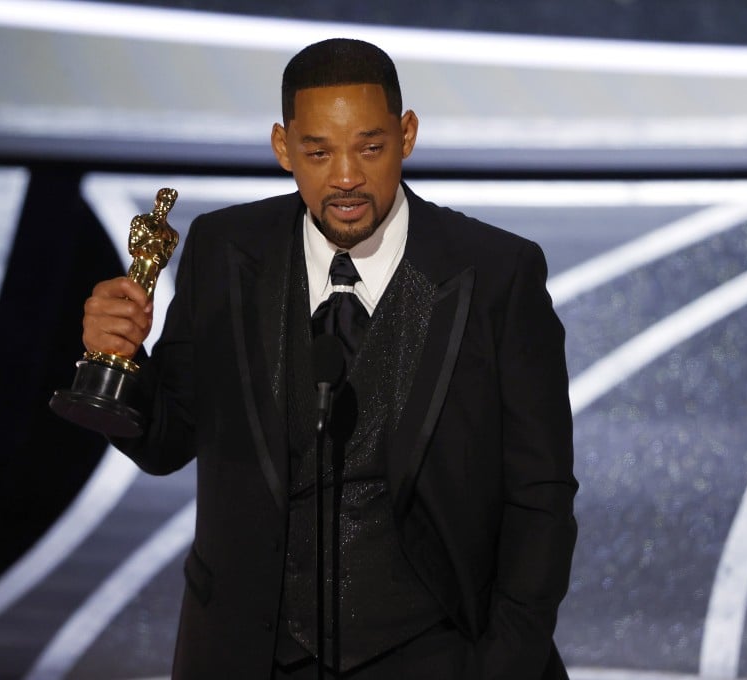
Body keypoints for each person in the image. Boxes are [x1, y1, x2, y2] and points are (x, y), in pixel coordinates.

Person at [81, 38, 578, 680]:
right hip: (251, 655)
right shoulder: (224, 251)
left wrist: (504, 663)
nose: (345, 176)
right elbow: (169, 438)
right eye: (318, 151)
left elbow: (540, 496)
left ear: (407, 136)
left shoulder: (497, 274)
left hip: (438, 656)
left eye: (370, 148)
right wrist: (116, 364)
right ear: (284, 147)